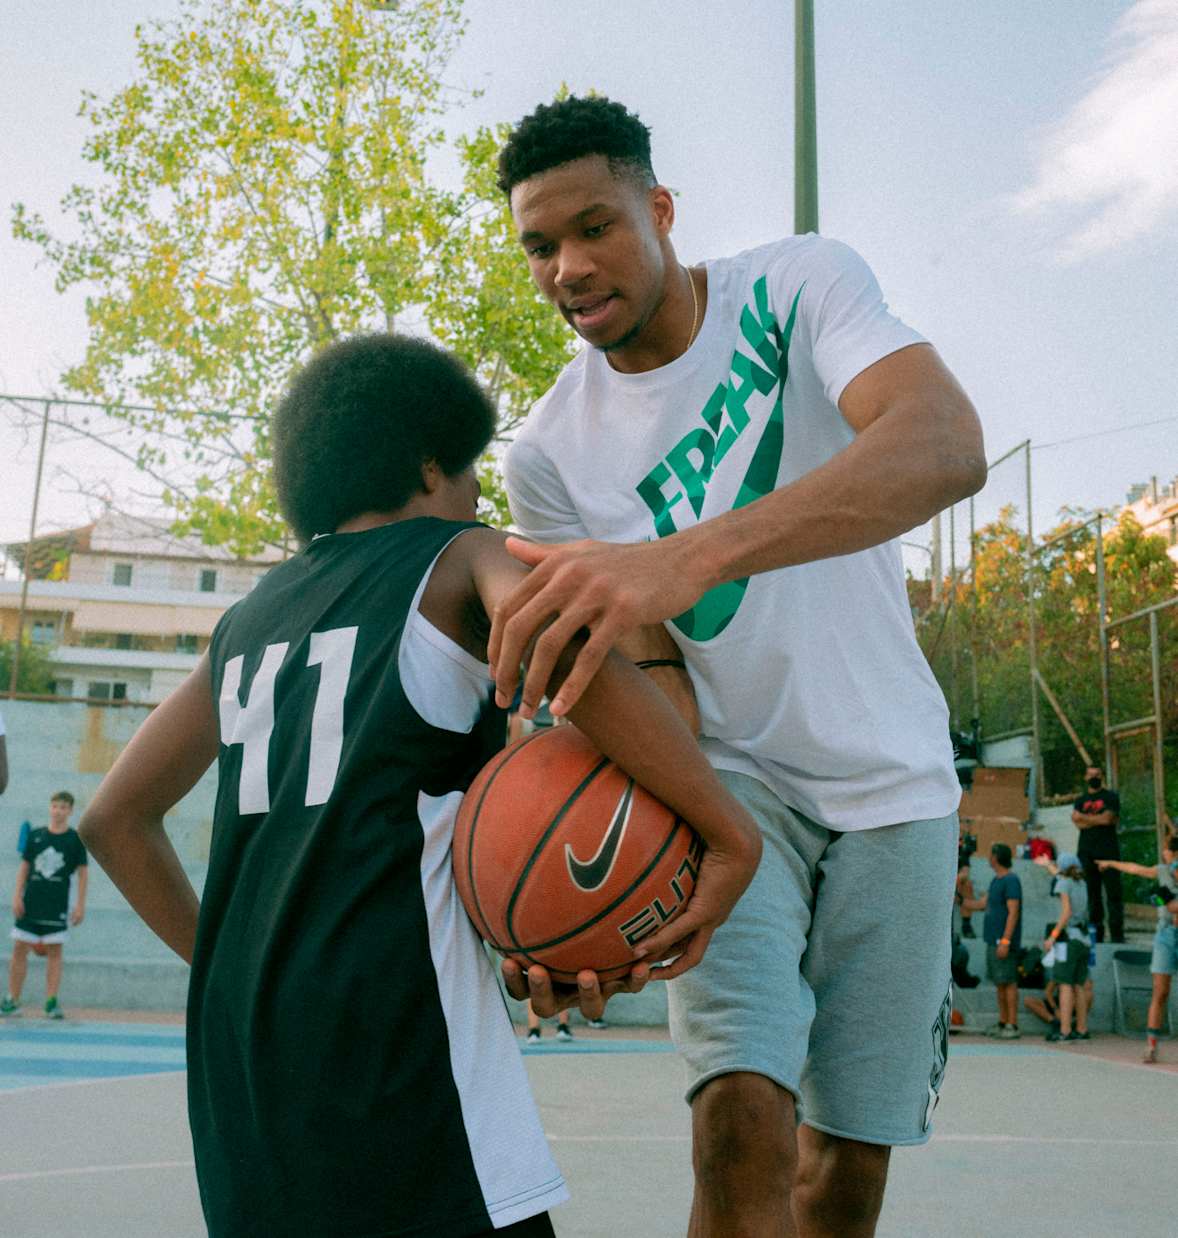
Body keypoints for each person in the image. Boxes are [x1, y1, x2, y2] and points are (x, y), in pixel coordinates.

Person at [77, 334, 761, 1238]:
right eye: (471, 468)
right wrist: (728, 830)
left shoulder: (249, 618)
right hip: (390, 1026)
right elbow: (572, 649)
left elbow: (113, 819)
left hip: (241, 1045)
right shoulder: (457, 554)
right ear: (430, 463)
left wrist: (236, 963)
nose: (479, 492)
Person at [490, 95, 986, 1237]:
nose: (568, 265)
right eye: (538, 244)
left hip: (894, 785)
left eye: (595, 225)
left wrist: (676, 556)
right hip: (734, 785)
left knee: (844, 1171)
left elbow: (942, 440)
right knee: (736, 1121)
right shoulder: (549, 457)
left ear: (658, 210)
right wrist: (615, 872)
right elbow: (644, 665)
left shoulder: (795, 285)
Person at [2, 790, 87, 1019]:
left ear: (70, 811)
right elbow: (24, 866)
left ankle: (50, 1001)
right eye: (55, 806)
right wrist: (17, 896)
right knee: (20, 948)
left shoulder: (74, 840)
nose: (58, 811)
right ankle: (12, 999)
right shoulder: (36, 835)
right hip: (31, 901)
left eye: (63, 807)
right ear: (50, 808)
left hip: (57, 903)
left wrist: (80, 905)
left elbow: (82, 873)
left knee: (55, 951)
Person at [1096, 829, 1178, 1064]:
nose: (1163, 854)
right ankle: (1151, 1044)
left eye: (1166, 850)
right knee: (1160, 990)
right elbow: (1136, 869)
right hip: (1166, 932)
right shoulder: (1163, 871)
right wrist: (1111, 863)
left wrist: (1169, 903)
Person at [962, 843, 1022, 1038]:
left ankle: (1012, 1025)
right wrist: (961, 901)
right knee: (999, 983)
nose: (989, 858)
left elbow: (1013, 912)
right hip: (992, 941)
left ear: (996, 857)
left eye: (991, 854)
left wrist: (1005, 940)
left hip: (1003, 942)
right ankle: (1003, 1022)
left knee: (1009, 982)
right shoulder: (996, 881)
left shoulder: (1011, 881)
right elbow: (981, 904)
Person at [1034, 852, 1091, 1042]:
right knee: (1079, 985)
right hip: (1084, 939)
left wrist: (1052, 936)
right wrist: (1046, 865)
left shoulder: (1063, 884)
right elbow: (1058, 874)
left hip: (1069, 940)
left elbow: (1066, 913)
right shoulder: (1081, 884)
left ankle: (1065, 1030)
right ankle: (1082, 1029)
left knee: (1065, 984)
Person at [1073, 765, 1124, 943]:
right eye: (1091, 775)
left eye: (1097, 775)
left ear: (1101, 777)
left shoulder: (1111, 797)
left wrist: (1085, 818)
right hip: (1086, 852)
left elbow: (1108, 818)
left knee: (1114, 895)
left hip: (1108, 851)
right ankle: (1097, 936)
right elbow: (1077, 823)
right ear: (1085, 778)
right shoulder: (1080, 800)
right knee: (1093, 896)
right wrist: (1099, 820)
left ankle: (1117, 935)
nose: (1094, 777)